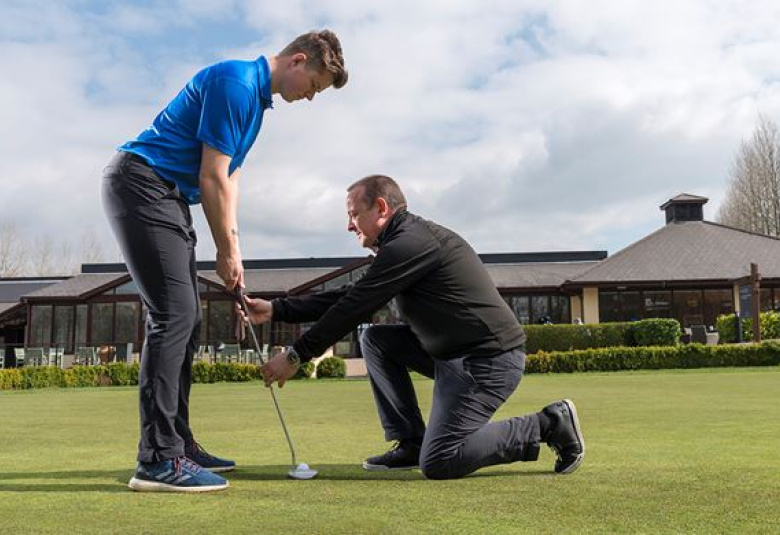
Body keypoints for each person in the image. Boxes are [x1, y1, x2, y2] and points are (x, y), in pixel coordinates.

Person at [101, 30, 348, 493]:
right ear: (298, 60)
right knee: (173, 315)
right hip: (141, 183)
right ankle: (157, 460)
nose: (310, 97)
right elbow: (210, 174)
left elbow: (229, 179)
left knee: (187, 319)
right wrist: (224, 248)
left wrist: (234, 248)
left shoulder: (255, 105)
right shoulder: (236, 84)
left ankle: (178, 443)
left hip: (166, 197)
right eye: (314, 86)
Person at [241, 175, 585, 480]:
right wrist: (276, 309)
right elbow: (353, 295)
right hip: (453, 358)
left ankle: (549, 424)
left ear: (380, 208)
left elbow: (354, 306)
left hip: (488, 362)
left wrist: (296, 355)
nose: (349, 225)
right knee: (375, 339)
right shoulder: (401, 243)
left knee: (439, 461)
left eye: (353, 214)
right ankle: (410, 443)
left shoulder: (411, 243)